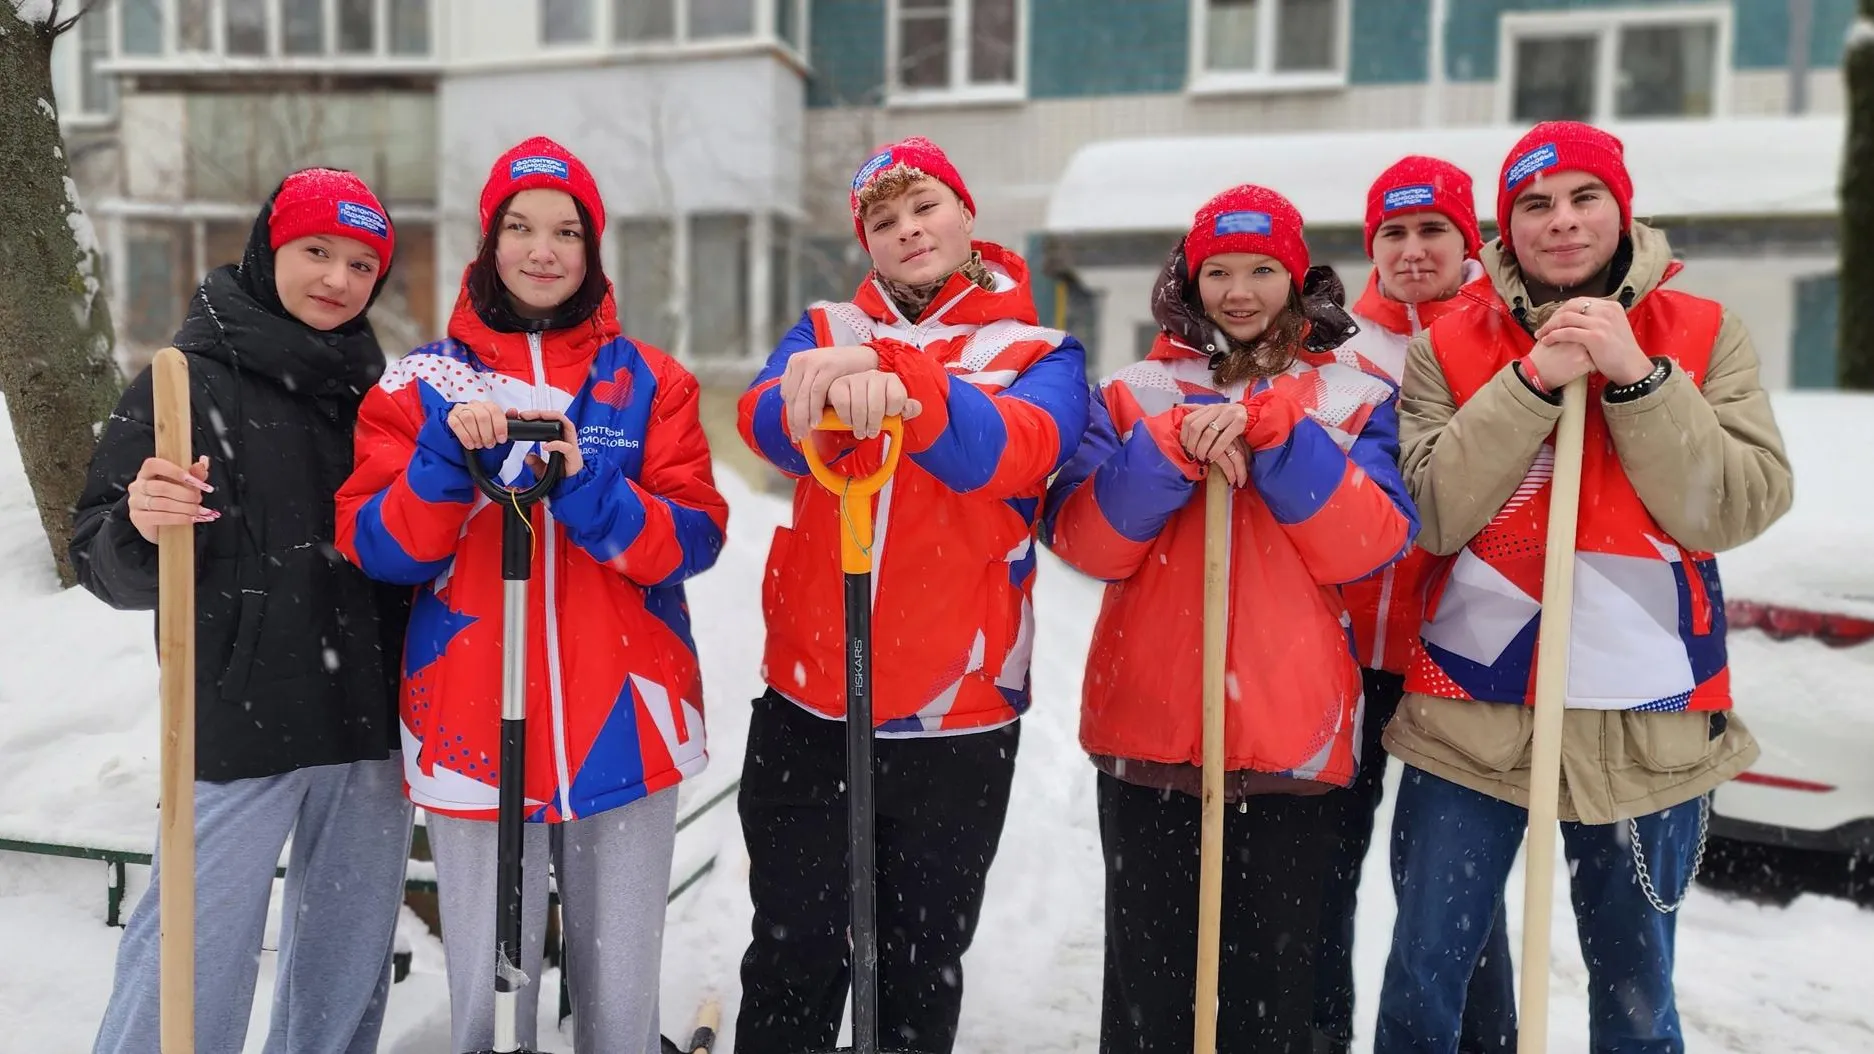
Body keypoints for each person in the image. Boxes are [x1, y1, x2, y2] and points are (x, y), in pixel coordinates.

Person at [1375, 120, 1793, 1054]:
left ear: (1621, 207)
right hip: (1469, 713)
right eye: (1534, 205)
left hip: (1648, 714)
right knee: (1423, 984)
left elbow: (1736, 505)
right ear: (1506, 226)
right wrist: (1531, 381)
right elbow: (1433, 515)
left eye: (1582, 198)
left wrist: (1638, 378)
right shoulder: (1447, 345)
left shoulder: (1704, 332)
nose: (1560, 222)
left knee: (1637, 998)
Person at [335, 136, 728, 1054]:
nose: (541, 249)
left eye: (565, 231)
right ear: (489, 242)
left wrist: (586, 486)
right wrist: (446, 461)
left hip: (627, 712)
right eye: (519, 226)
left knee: (619, 978)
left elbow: (692, 537)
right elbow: (378, 547)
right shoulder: (422, 381)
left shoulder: (648, 381)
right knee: (480, 967)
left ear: (592, 250)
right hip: (471, 711)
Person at [1041, 184, 1419, 1054]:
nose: (1238, 292)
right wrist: (1168, 450)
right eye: (1218, 271)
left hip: (1293, 734)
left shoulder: (1353, 394)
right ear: (1191, 277)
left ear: (1297, 277)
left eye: (1260, 270)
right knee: (1149, 991)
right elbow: (1087, 539)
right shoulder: (1135, 390)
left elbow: (1371, 546)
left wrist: (1287, 444)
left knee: (1269, 995)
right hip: (1151, 726)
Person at [732, 135, 1089, 1054]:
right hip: (812, 697)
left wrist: (901, 384)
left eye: (924, 206)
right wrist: (812, 396)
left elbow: (1007, 452)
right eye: (883, 221)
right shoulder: (823, 327)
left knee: (916, 962)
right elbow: (765, 420)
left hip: (956, 710)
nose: (907, 231)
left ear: (965, 211)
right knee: (791, 952)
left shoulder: (1039, 349)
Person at [75, 169, 414, 1054]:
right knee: (191, 948)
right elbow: (99, 557)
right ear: (269, 249)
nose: (337, 279)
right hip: (238, 716)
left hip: (371, 723)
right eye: (316, 252)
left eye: (360, 263)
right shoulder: (184, 384)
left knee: (344, 961)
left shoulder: (377, 395)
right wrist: (139, 523)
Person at [1314, 156, 1514, 1054]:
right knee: (1317, 876)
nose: (1412, 248)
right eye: (1392, 231)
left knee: (1449, 895)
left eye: (1433, 228)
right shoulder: (1332, 348)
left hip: (1456, 659)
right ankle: (1313, 1035)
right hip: (1339, 656)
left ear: (1469, 239)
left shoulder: (1504, 341)